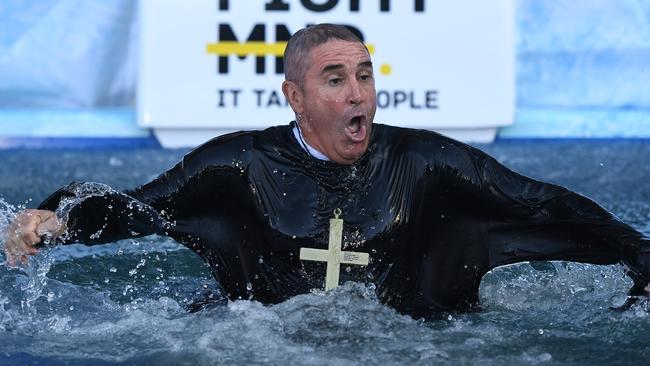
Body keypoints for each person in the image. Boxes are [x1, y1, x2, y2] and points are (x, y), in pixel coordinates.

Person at [3, 24, 650, 318]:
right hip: (257, 343)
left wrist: (635, 249)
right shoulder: (240, 165)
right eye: (335, 79)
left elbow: (534, 201)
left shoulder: (421, 162)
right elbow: (136, 206)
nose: (358, 95)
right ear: (294, 97)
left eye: (365, 76)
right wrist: (54, 215)